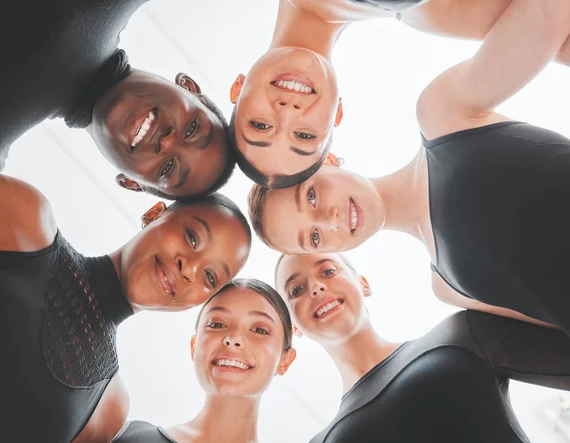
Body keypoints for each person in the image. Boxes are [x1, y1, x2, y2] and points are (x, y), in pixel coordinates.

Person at [248, 0, 570, 333]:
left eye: (312, 197)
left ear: (327, 160)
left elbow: (550, 11)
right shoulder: (447, 288)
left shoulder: (442, 114)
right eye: (314, 237)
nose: (330, 219)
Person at [0, 166, 251, 442]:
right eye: (192, 238)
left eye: (210, 276)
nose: (189, 270)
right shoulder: (18, 218)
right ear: (154, 215)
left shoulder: (109, 409)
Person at [229, 0, 570, 187]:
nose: (287, 110)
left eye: (260, 125)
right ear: (337, 115)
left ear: (239, 87)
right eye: (304, 135)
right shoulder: (435, 14)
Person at [275, 252, 570, 443]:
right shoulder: (323, 441)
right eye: (296, 290)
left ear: (363, 283)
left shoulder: (462, 333)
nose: (316, 287)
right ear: (295, 328)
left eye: (327, 271)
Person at [0, 1, 234, 199]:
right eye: (191, 129)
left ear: (131, 183)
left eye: (167, 169)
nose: (166, 142)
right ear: (188, 87)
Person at [112, 279, 296, 443]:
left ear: (285, 361)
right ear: (194, 347)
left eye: (259, 330)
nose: (233, 338)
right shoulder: (124, 437)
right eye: (217, 325)